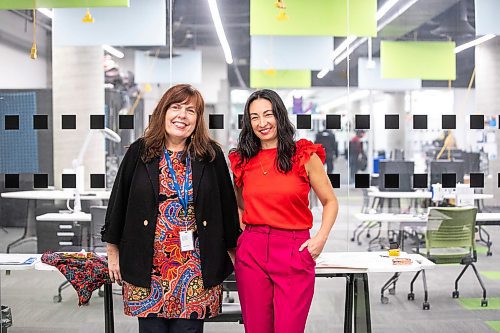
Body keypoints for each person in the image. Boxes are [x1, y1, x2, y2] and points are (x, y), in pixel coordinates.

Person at [101, 84, 240, 333]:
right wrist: (113, 254)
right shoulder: (139, 152)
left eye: (191, 110)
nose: (182, 116)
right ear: (163, 111)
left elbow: (228, 209)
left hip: (194, 269)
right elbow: (117, 204)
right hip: (148, 268)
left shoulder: (210, 155)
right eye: (176, 107)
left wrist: (234, 256)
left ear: (198, 119)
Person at [229, 89, 339, 333]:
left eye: (268, 114)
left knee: (289, 328)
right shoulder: (242, 160)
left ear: (279, 115)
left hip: (293, 249)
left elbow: (330, 201)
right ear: (248, 122)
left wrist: (320, 239)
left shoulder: (303, 155)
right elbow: (239, 204)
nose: (262, 123)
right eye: (254, 117)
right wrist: (244, 239)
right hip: (252, 253)